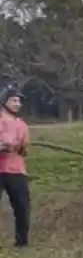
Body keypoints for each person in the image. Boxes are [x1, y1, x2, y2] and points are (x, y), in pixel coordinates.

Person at [0, 85, 30, 248]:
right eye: (14, 100)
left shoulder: (22, 125)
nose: (17, 104)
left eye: (19, 101)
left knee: (22, 208)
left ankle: (22, 242)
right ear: (4, 101)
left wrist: (22, 148)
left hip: (16, 170)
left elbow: (24, 151)